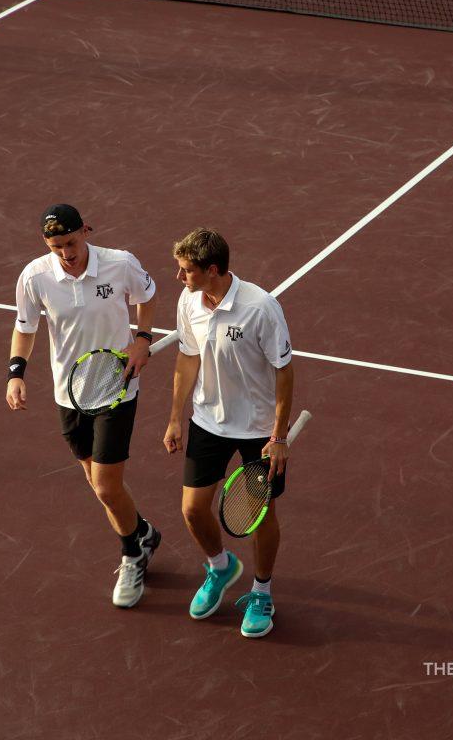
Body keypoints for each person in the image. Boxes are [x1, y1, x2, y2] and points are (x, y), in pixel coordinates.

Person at [6, 204, 160, 608]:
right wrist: (16, 374)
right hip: (69, 393)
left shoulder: (119, 264)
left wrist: (142, 340)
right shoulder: (35, 276)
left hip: (115, 387)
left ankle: (132, 554)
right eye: (56, 247)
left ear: (86, 231)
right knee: (100, 487)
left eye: (71, 243)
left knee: (108, 486)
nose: (66, 254)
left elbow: (147, 296)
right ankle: (143, 532)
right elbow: (25, 328)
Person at [163, 228, 294, 638]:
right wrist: (174, 417)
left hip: (257, 430)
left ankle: (262, 591)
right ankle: (220, 568)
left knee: (259, 516)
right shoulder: (189, 300)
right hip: (208, 422)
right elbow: (187, 358)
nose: (179, 277)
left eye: (186, 270)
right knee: (192, 509)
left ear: (212, 269)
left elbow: (284, 371)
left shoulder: (261, 308)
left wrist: (279, 436)